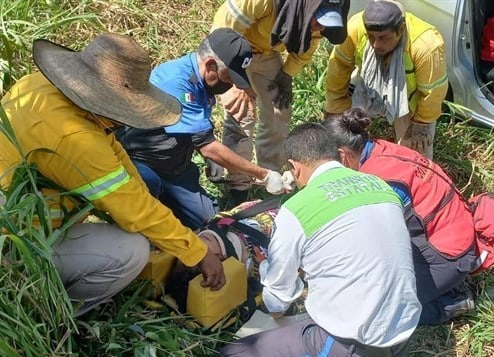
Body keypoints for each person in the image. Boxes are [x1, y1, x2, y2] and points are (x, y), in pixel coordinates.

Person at [0, 33, 225, 316]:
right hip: (18, 241)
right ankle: (52, 312)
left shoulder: (36, 84)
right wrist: (197, 251)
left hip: (18, 211)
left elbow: (115, 153)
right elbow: (133, 210)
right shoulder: (75, 139)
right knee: (131, 251)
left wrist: (161, 224)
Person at [221, 123, 421, 356]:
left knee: (234, 352)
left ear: (294, 168)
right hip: (405, 324)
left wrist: (269, 274)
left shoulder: (298, 208)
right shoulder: (380, 186)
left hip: (355, 341)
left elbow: (278, 301)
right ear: (338, 155)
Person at [115, 28, 290, 231]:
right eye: (229, 76)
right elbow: (208, 146)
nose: (231, 83)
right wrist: (264, 175)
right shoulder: (177, 83)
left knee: (212, 224)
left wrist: (209, 160)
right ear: (210, 65)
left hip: (176, 169)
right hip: (142, 163)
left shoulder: (204, 82)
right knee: (152, 220)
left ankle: (169, 204)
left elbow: (198, 132)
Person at [323, 108, 478, 325]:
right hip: (453, 233)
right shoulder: (381, 149)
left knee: (378, 314)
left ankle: (451, 303)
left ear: (343, 156)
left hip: (447, 255)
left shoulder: (377, 182)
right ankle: (441, 285)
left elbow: (377, 244)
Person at [212, 0, 350, 203]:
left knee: (280, 110)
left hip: (265, 54)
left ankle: (270, 175)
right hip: (230, 52)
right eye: (318, 20)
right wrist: (235, 82)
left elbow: (307, 46)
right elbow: (222, 32)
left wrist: (287, 73)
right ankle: (238, 184)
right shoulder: (261, 2)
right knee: (242, 111)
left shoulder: (314, 21)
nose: (320, 27)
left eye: (326, 24)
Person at [325, 0, 448, 159]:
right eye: (371, 37)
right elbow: (338, 67)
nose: (376, 45)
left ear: (401, 29)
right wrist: (335, 106)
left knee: (415, 152)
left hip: (407, 97)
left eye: (383, 38)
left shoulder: (426, 46)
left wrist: (421, 124)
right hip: (366, 84)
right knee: (343, 132)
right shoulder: (356, 27)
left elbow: (433, 92)